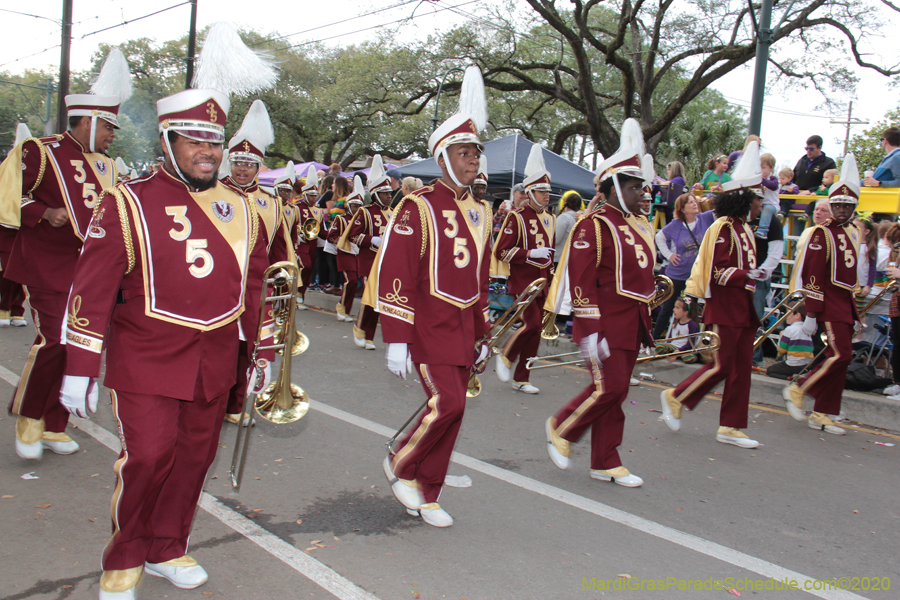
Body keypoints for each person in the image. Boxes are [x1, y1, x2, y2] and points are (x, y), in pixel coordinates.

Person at [59, 24, 278, 598]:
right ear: (168, 141)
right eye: (194, 140)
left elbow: (254, 289)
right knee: (149, 458)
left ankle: (167, 546)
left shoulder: (243, 208)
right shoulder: (126, 201)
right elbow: (91, 289)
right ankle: (125, 556)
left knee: (193, 461)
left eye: (215, 141)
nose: (208, 151)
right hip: (146, 359)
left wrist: (262, 354)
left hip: (215, 361)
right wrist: (79, 366)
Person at [374, 65, 492, 527]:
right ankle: (401, 463)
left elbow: (479, 279)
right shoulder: (417, 205)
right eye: (464, 152)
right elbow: (396, 273)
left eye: (476, 152)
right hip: (427, 325)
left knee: (453, 413)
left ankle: (428, 490)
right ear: (443, 158)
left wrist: (483, 333)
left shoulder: (481, 210)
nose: (473, 160)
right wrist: (396, 337)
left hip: (462, 326)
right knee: (448, 404)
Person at [0, 50, 130, 460]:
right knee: (55, 340)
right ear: (87, 120)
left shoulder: (108, 166)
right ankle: (29, 418)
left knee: (81, 344)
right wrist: (42, 213)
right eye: (108, 126)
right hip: (47, 266)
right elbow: (9, 197)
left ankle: (55, 425)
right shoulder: (38, 151)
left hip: (91, 271)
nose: (112, 134)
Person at [543, 118, 654, 487]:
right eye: (634, 187)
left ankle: (606, 460)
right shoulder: (593, 224)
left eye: (640, 187)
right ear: (615, 188)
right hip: (604, 323)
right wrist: (590, 330)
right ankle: (562, 426)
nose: (640, 193)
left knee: (617, 393)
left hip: (631, 322)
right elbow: (581, 279)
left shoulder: (635, 223)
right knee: (609, 388)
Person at [660, 141, 766, 449]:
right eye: (758, 200)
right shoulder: (724, 228)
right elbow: (717, 272)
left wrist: (752, 275)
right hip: (725, 306)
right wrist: (748, 275)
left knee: (741, 369)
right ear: (744, 200)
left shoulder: (744, 229)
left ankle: (731, 426)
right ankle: (676, 396)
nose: (761, 206)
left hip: (742, 306)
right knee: (722, 365)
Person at [220, 99, 294, 427]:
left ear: (259, 166)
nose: (242, 169)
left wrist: (285, 290)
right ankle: (211, 405)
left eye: (249, 164)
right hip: (217, 285)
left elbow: (281, 252)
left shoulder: (271, 202)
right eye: (237, 162)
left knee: (248, 348)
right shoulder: (212, 193)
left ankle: (236, 405)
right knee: (217, 348)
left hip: (254, 290)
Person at [782, 154, 862, 436]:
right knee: (841, 355)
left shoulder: (853, 232)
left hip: (845, 302)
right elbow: (813, 276)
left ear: (854, 208)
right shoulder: (821, 233)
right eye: (837, 205)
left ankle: (823, 413)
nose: (841, 210)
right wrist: (812, 313)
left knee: (839, 359)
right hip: (828, 303)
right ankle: (799, 388)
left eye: (847, 206)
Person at [493, 144, 556, 394]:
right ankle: (505, 353)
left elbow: (550, 253)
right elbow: (501, 252)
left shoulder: (550, 218)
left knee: (536, 331)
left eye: (548, 191)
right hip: (523, 281)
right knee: (530, 324)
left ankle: (522, 378)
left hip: (543, 281)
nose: (547, 195)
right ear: (529, 192)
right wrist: (529, 253)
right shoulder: (516, 217)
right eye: (541, 191)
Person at [341, 154, 392, 350]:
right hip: (369, 260)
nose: (389, 196)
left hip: (385, 262)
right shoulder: (365, 211)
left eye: (390, 193)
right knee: (369, 298)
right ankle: (360, 329)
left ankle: (369, 336)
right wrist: (373, 240)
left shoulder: (392, 212)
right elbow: (353, 235)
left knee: (378, 300)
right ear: (376, 193)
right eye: (385, 193)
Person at [652, 194, 711, 338]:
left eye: (694, 201)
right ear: (683, 209)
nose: (695, 204)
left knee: (692, 309)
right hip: (677, 273)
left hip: (695, 274)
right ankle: (654, 340)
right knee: (668, 308)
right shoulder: (676, 225)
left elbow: (720, 208)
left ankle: (689, 342)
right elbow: (659, 237)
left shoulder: (705, 218)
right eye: (690, 203)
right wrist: (669, 255)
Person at [0, 123, 31, 328]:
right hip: (7, 226)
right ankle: (4, 308)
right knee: (7, 270)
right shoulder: (6, 167)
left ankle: (17, 311)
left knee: (21, 270)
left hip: (26, 226)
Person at [326, 176, 365, 322]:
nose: (357, 209)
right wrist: (344, 242)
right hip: (345, 253)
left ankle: (345, 309)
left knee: (355, 283)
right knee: (351, 281)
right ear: (348, 206)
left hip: (358, 254)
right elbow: (331, 236)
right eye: (354, 206)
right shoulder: (341, 219)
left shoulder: (362, 220)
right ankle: (342, 308)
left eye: (359, 207)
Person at [293, 167, 324, 306]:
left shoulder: (318, 211)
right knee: (305, 265)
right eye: (311, 195)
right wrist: (296, 235)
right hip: (300, 243)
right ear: (305, 194)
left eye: (315, 195)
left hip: (312, 244)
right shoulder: (297, 207)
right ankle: (295, 291)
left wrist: (336, 238)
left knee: (310, 269)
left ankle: (301, 293)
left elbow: (321, 230)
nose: (314, 198)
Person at [766, 303, 814, 379]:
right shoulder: (807, 329)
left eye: (788, 313)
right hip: (806, 365)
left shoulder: (789, 329)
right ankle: (801, 375)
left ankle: (789, 377)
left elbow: (781, 350)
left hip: (793, 365)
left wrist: (781, 337)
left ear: (797, 315)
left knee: (770, 370)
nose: (786, 316)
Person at [655, 297, 701, 364]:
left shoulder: (692, 325)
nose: (674, 310)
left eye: (677, 308)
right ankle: (674, 354)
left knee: (689, 358)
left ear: (685, 312)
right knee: (659, 347)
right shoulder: (675, 322)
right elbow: (670, 338)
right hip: (673, 346)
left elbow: (690, 343)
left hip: (684, 349)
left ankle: (678, 355)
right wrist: (668, 345)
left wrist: (679, 350)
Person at [755, 153, 779, 239]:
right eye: (759, 167)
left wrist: (761, 180)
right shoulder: (758, 179)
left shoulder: (773, 179)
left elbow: (773, 186)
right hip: (760, 204)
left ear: (771, 168)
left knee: (767, 209)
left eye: (763, 168)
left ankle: (763, 230)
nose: (761, 170)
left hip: (771, 205)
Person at [555, 191, 582, 267]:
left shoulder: (564, 217)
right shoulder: (580, 218)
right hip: (569, 259)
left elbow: (556, 239)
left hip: (558, 258)